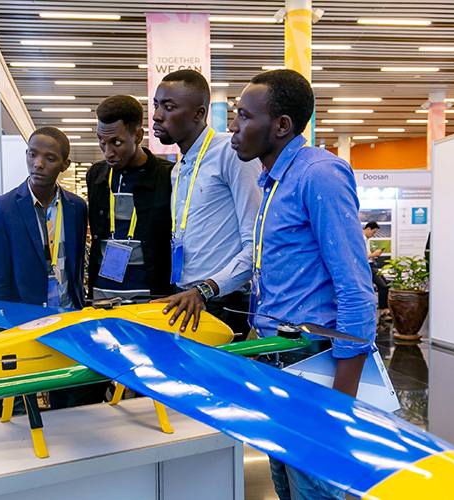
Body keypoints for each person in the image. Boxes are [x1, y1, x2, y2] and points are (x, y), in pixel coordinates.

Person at [229, 69, 377, 500]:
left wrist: (341, 402)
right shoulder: (274, 180)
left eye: (243, 115)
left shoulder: (320, 175)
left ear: (281, 125)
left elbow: (355, 287)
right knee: (287, 483)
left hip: (316, 359)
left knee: (315, 486)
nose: (234, 127)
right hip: (281, 358)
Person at [0, 127, 95, 409]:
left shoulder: (76, 207)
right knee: (26, 395)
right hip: (26, 317)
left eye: (49, 158)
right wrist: (4, 324)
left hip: (69, 313)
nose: (38, 164)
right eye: (32, 155)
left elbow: (76, 259)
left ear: (65, 165)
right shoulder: (4, 208)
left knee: (69, 390)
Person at [150, 69, 263, 337]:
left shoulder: (231, 154)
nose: (156, 115)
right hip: (186, 296)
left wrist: (206, 289)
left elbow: (257, 244)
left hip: (224, 299)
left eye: (169, 107)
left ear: (198, 114)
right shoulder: (179, 169)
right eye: (156, 105)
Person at [87, 95, 174, 301]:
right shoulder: (97, 175)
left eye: (116, 142)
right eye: (102, 141)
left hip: (153, 298)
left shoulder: (167, 176)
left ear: (138, 135)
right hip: (102, 298)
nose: (108, 152)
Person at [363, 221, 391, 319]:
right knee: (383, 286)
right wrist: (373, 255)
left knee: (386, 284)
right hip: (366, 267)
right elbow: (360, 256)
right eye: (373, 232)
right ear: (368, 229)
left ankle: (385, 309)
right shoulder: (360, 239)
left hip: (371, 265)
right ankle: (383, 311)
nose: (373, 235)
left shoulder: (366, 240)